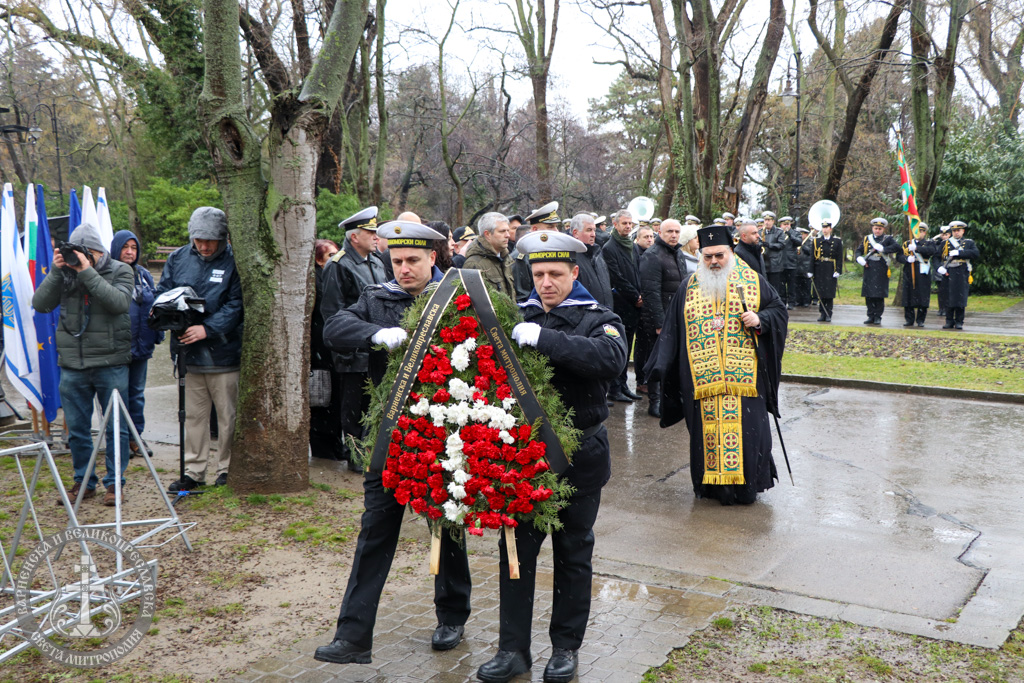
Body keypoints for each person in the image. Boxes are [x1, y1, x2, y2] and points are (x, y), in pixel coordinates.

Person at [315, 221, 472, 665]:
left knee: (447, 526)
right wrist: (373, 334)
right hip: (391, 436)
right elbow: (335, 327)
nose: (403, 269)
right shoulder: (376, 297)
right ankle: (353, 636)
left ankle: (453, 614)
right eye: (397, 261)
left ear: (433, 259)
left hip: (446, 436)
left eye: (412, 261)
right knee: (374, 532)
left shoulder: (458, 297)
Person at [476, 230, 626, 683]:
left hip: (580, 454)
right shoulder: (513, 317)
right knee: (515, 553)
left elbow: (609, 359)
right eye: (538, 273)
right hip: (521, 457)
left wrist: (543, 338)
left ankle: (565, 648)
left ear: (575, 273)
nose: (545, 282)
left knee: (573, 553)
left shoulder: (598, 317)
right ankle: (512, 650)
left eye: (555, 274)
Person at [644, 224, 787, 506]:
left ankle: (746, 488)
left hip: (745, 382)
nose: (713, 262)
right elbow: (673, 329)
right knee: (706, 438)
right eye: (707, 256)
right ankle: (711, 488)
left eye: (719, 255)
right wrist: (660, 364)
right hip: (702, 381)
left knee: (748, 437)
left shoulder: (754, 280)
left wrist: (760, 320)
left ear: (731, 252)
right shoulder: (689, 286)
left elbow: (778, 311)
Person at [34, 221, 133, 507]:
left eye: (85, 253)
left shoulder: (120, 270)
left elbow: (119, 303)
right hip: (72, 364)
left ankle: (115, 484)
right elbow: (40, 304)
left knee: (115, 426)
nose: (78, 258)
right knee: (77, 428)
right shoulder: (63, 274)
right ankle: (84, 480)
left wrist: (87, 272)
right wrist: (56, 270)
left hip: (110, 361)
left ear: (98, 253)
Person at [159, 207, 244, 492]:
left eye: (211, 241)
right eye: (199, 240)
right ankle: (194, 471)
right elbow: (163, 292)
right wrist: (171, 315)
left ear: (223, 239)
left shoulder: (234, 261)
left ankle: (227, 468)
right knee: (194, 417)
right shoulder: (178, 258)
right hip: (187, 354)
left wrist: (207, 329)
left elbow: (236, 304)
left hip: (224, 354)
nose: (205, 246)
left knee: (227, 415)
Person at [320, 207, 387, 470]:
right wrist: (347, 352)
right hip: (354, 352)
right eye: (369, 232)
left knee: (374, 405)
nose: (375, 236)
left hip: (377, 348)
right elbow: (332, 313)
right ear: (354, 237)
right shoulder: (339, 265)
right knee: (353, 408)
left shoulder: (377, 262)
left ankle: (371, 451)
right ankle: (355, 455)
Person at [111, 229, 165, 457]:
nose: (130, 252)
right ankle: (119, 441)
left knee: (137, 395)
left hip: (142, 347)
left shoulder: (143, 274)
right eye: (125, 247)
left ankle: (136, 438)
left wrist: (158, 333)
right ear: (116, 249)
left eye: (133, 248)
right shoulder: (106, 273)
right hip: (116, 349)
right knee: (117, 396)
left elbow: (155, 306)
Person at [640, 219, 687, 419]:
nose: (674, 235)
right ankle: (655, 401)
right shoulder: (652, 256)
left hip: (677, 316)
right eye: (669, 231)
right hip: (659, 319)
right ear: (660, 232)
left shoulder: (679, 253)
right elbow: (650, 292)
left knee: (675, 360)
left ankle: (673, 398)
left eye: (677, 231)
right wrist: (659, 323)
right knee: (658, 360)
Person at [601, 209, 643, 404]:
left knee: (628, 347)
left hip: (634, 304)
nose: (628, 226)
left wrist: (640, 295)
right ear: (615, 225)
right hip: (621, 303)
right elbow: (617, 277)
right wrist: (635, 296)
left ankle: (624, 385)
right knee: (619, 347)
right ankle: (614, 388)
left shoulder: (632, 246)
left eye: (630, 223)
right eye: (624, 223)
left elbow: (637, 272)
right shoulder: (610, 247)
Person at [310, 239, 342, 460]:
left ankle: (334, 445)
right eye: (330, 255)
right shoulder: (314, 281)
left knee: (334, 401)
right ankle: (323, 449)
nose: (335, 259)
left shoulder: (333, 276)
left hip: (331, 348)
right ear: (318, 259)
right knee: (321, 399)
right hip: (319, 349)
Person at [511, 201, 561, 301]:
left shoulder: (553, 251)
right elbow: (522, 298)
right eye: (550, 227)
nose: (556, 231)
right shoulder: (521, 256)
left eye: (556, 226)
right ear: (534, 229)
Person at [854, 217, 899, 325]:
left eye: (879, 228)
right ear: (872, 228)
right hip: (869, 267)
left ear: (883, 229)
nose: (877, 230)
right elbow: (858, 251)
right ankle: (870, 315)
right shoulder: (867, 239)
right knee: (868, 294)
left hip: (881, 268)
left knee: (879, 294)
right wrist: (859, 258)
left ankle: (878, 316)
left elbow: (897, 247)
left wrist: (884, 249)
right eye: (875, 228)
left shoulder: (887, 239)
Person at [936, 220, 980, 329]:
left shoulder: (969, 243)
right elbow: (936, 257)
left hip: (961, 272)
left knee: (960, 298)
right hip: (949, 272)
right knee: (948, 297)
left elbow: (975, 253)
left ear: (963, 231)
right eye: (954, 231)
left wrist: (960, 253)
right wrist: (939, 268)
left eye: (958, 230)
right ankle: (949, 321)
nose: (956, 233)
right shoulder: (945, 243)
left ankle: (959, 321)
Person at [462, 212, 515, 297]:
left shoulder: (506, 258)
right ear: (487, 234)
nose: (508, 235)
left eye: (508, 231)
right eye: (502, 231)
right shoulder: (474, 264)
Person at [896, 223, 938, 327]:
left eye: (921, 231)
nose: (919, 233)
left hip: (922, 272)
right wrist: (906, 259)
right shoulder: (907, 244)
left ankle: (920, 320)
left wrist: (917, 248)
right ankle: (909, 319)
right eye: (916, 231)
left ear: (924, 232)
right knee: (908, 296)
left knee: (922, 296)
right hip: (909, 271)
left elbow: (932, 251)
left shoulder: (929, 243)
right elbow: (899, 256)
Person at [802, 219, 843, 322]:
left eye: (826, 228)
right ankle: (822, 313)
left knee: (829, 293)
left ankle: (828, 313)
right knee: (820, 292)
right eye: (823, 227)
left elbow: (839, 257)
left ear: (830, 229)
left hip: (830, 268)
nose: (824, 230)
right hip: (819, 268)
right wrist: (810, 270)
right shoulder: (817, 241)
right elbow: (812, 256)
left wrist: (838, 270)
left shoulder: (837, 241)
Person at [570, 212, 613, 308]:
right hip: (588, 318)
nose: (593, 234)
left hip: (605, 315)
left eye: (594, 230)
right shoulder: (571, 259)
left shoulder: (597, 254)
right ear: (575, 233)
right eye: (589, 230)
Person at [776, 216, 801, 310]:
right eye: (784, 224)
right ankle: (782, 302)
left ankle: (791, 302)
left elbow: (799, 242)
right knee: (781, 285)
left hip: (791, 263)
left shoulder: (795, 233)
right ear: (781, 225)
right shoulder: (778, 233)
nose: (786, 226)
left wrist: (789, 233)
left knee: (791, 285)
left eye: (788, 224)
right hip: (780, 262)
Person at [933, 225, 952, 317]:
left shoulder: (952, 243)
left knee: (949, 291)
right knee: (941, 291)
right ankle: (941, 308)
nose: (944, 236)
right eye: (942, 234)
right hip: (940, 269)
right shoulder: (937, 244)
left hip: (950, 268)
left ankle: (948, 308)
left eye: (946, 234)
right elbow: (935, 257)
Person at [793, 227, 813, 308]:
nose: (800, 236)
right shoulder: (796, 242)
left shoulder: (810, 242)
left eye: (802, 234)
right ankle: (798, 300)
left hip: (806, 267)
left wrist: (802, 245)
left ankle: (806, 301)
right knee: (797, 285)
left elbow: (810, 252)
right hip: (797, 267)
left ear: (806, 235)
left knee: (806, 286)